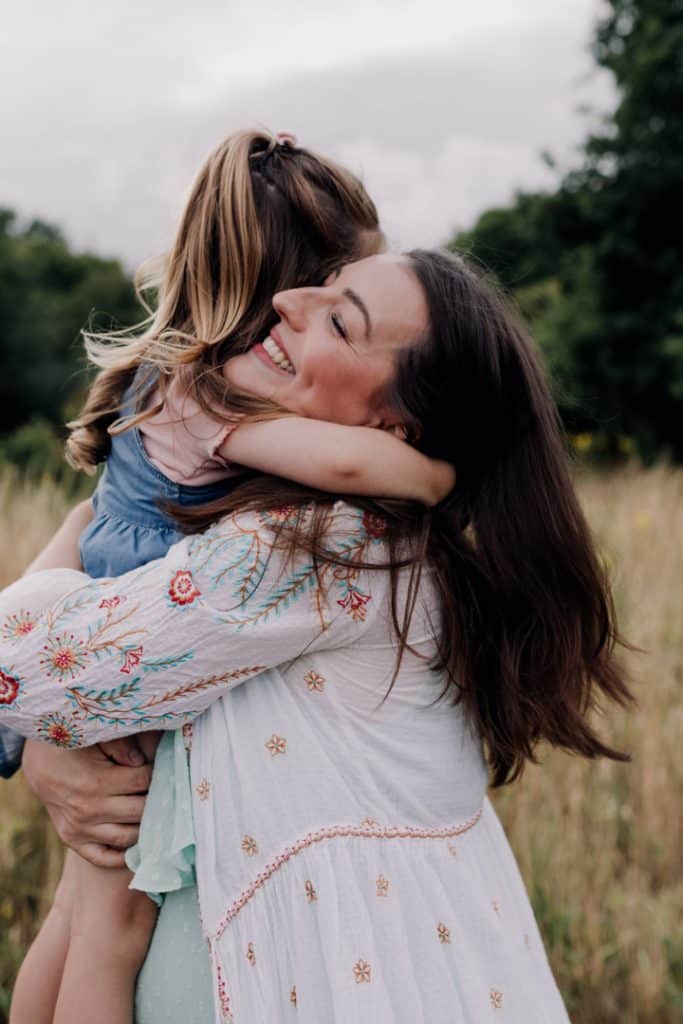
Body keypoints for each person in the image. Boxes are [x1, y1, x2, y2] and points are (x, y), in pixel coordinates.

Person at [0, 249, 632, 1023]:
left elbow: (31, 671)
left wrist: (73, 538)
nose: (290, 299)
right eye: (323, 283)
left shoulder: (318, 549)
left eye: (339, 317)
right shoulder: (400, 535)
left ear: (392, 426)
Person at [2, 130, 453, 1024]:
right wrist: (435, 473)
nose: (308, 307)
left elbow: (81, 525)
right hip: (133, 656)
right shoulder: (216, 394)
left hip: (103, 635)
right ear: (275, 291)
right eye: (328, 293)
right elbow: (353, 467)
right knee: (109, 926)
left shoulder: (169, 376)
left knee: (71, 915)